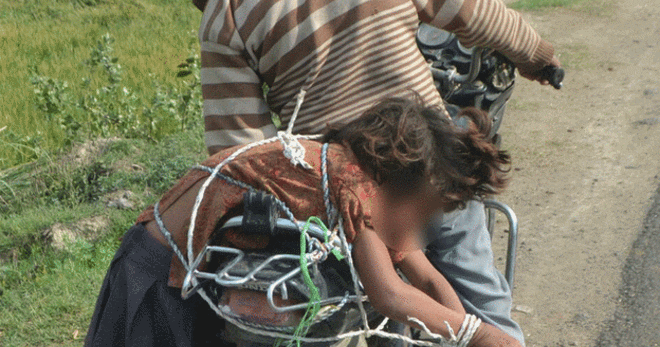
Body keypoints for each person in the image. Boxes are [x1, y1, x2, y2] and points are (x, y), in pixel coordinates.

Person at [155, 0, 562, 344]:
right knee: (480, 296)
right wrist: (536, 55)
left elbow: (244, 151)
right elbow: (459, 2)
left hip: (351, 196)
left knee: (388, 321)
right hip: (432, 159)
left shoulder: (223, 11)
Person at [85, 96, 519, 347]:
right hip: (156, 274)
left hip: (187, 278)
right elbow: (389, 295)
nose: (421, 223)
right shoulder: (351, 182)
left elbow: (423, 279)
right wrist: (478, 335)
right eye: (424, 210)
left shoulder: (361, 185)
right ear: (398, 180)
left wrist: (465, 333)